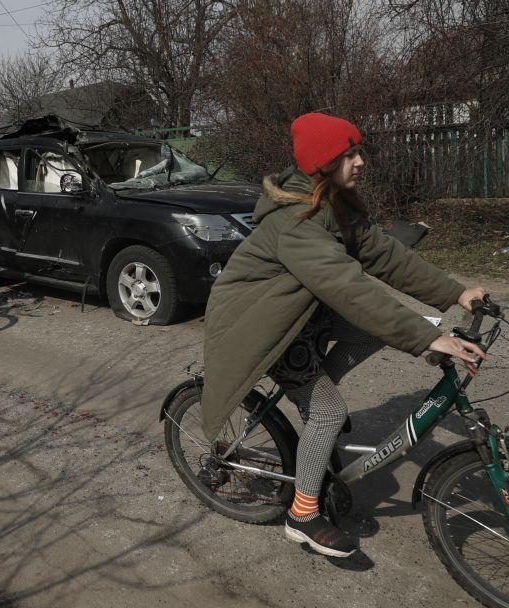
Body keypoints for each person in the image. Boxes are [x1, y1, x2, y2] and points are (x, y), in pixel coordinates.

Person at [200, 112, 488, 558]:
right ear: (321, 164)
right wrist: (426, 337)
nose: (361, 162)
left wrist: (456, 293)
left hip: (300, 310)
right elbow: (346, 286)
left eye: (358, 151)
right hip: (262, 326)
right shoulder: (293, 222)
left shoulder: (334, 202)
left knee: (376, 334)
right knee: (330, 413)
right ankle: (302, 514)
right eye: (349, 154)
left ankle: (317, 400)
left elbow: (385, 255)